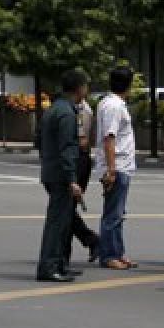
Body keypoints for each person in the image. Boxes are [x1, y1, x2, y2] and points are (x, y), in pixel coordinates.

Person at [36, 70, 89, 283]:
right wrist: (72, 179)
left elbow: (39, 140)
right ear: (79, 88)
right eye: (85, 86)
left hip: (51, 171)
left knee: (63, 222)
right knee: (57, 223)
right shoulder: (66, 113)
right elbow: (68, 148)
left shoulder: (54, 109)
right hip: (61, 175)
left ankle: (58, 264)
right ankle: (49, 267)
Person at [93, 66, 137, 271]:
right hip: (117, 166)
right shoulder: (114, 106)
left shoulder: (110, 103)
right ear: (128, 85)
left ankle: (117, 252)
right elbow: (109, 138)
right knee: (113, 214)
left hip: (120, 166)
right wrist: (111, 170)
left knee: (118, 213)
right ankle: (109, 255)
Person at [70, 93, 99, 264]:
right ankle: (91, 240)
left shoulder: (81, 110)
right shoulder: (75, 108)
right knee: (66, 209)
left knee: (66, 208)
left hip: (78, 159)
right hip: (78, 158)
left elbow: (83, 141)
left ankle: (92, 240)